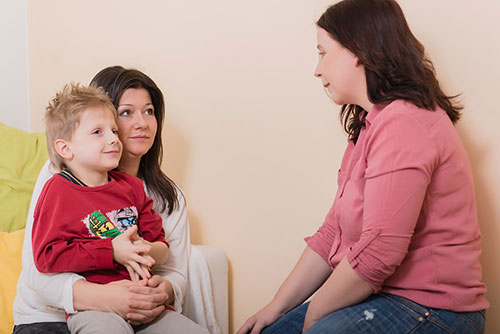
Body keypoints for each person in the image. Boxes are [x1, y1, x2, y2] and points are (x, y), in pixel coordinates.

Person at [237, 0, 488, 333]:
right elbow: (333, 234)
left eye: (323, 53)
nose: (317, 69)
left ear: (357, 50)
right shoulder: (371, 123)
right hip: (379, 295)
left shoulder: (405, 122)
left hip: (433, 308)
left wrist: (314, 319)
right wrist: (274, 309)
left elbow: (380, 251)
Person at [13, 67, 209, 334]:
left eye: (149, 111)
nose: (142, 123)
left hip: (139, 307)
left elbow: (172, 267)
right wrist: (107, 292)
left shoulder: (158, 194)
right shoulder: (59, 176)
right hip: (50, 314)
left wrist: (162, 291)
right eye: (126, 112)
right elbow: (40, 267)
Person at [30, 82, 174, 333]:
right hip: (95, 309)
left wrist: (142, 248)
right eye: (98, 132)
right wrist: (112, 250)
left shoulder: (132, 187)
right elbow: (47, 256)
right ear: (66, 148)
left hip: (145, 302)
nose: (113, 139)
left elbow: (161, 247)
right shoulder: (58, 190)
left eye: (114, 131)